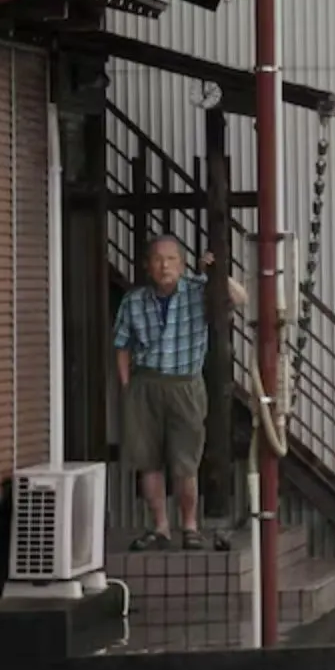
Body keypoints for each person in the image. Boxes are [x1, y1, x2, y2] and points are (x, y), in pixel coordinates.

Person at [113, 235, 247, 551]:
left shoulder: (199, 291)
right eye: (158, 259)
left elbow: (240, 298)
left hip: (185, 383)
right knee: (148, 461)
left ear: (182, 264)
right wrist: (126, 385)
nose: (164, 265)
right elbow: (121, 344)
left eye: (171, 259)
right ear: (147, 266)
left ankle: (190, 526)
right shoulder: (134, 301)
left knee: (185, 461)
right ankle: (160, 527)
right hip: (145, 383)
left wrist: (214, 273)